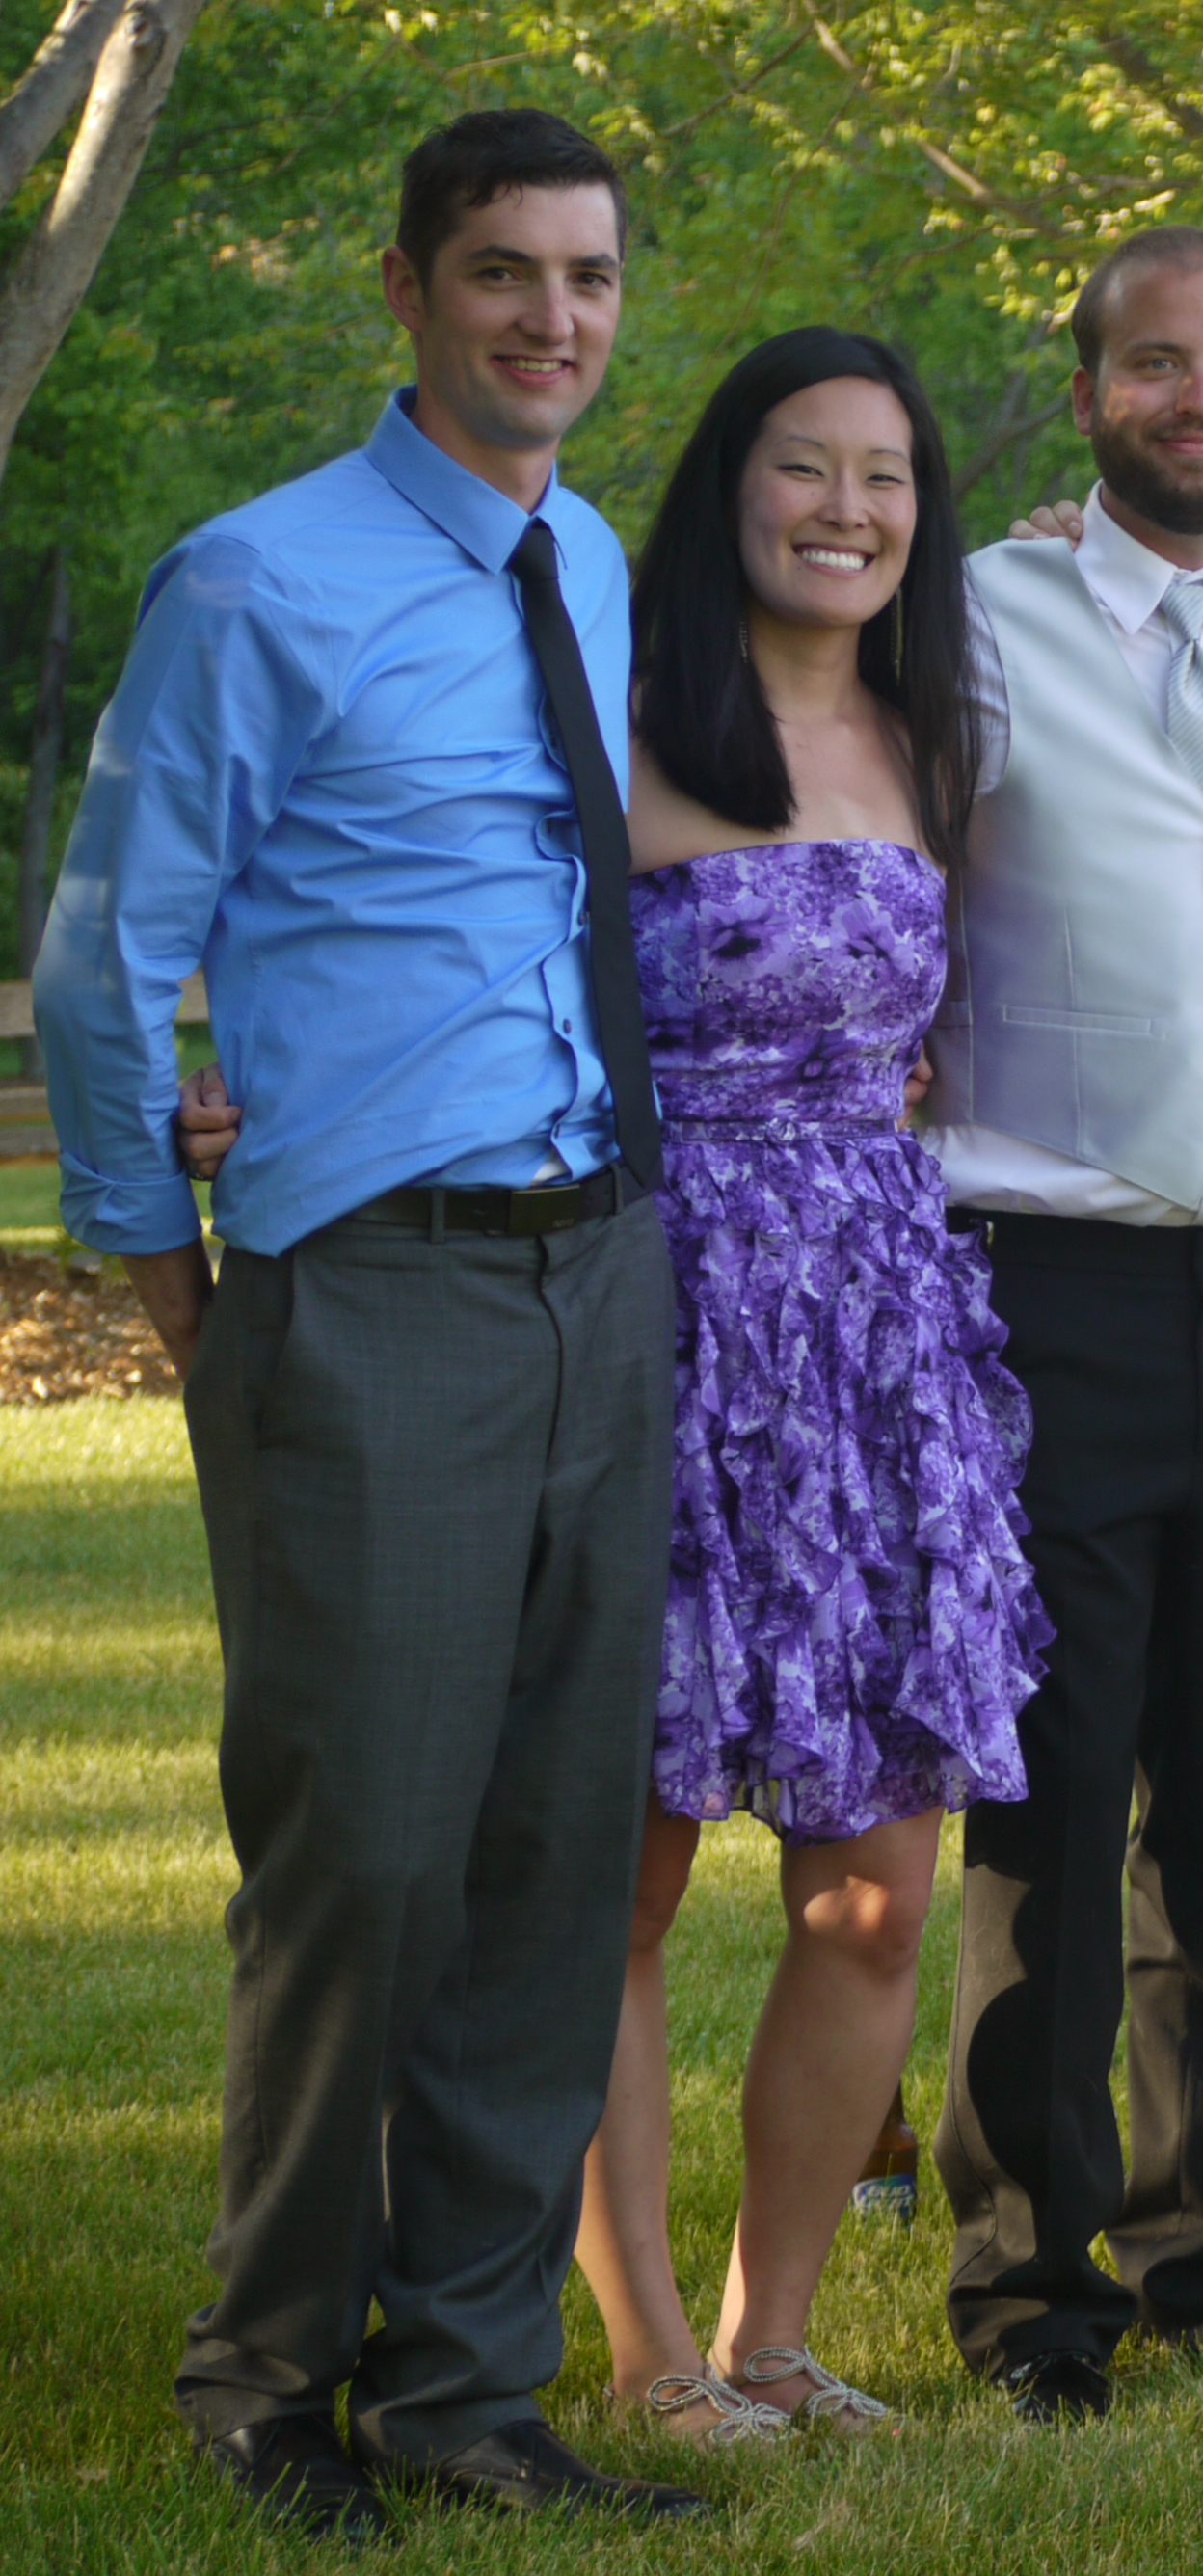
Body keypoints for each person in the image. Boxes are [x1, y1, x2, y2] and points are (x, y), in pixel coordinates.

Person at [33, 109, 706, 2533]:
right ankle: (263, 2379)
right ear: (407, 289)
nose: (553, 316)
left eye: (588, 278)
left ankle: (469, 2392)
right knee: (368, 1859)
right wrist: (177, 1280)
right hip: (375, 1287)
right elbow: (105, 960)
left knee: (546, 1858)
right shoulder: (256, 579)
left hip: (601, 1266)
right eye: (504, 271)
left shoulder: (588, 559)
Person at [924, 228, 1203, 2422]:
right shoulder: (970, 621)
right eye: (1158, 364)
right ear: (1091, 384)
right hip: (1049, 1286)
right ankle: (1030, 2290)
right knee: (1048, 1802)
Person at [577, 329, 1045, 2433]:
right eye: (804, 465)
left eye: (886, 474)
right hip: (662, 1321)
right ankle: (651, 2355)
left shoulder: (932, 740)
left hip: (878, 1335)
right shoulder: (614, 721)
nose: (848, 509)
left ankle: (777, 2330)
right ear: (727, 488)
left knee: (874, 1893)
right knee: (622, 1876)